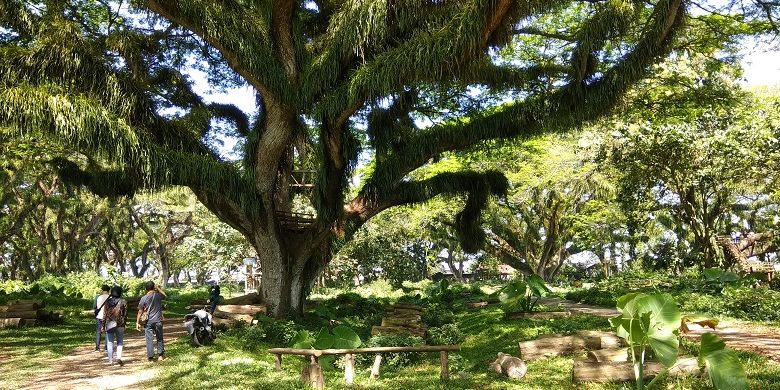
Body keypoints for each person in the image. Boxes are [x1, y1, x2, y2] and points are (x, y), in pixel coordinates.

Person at [136, 281, 166, 361]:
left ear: (146, 289)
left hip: (148, 322)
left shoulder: (143, 298)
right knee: (159, 338)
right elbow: (165, 295)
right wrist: (158, 288)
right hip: (158, 321)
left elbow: (140, 311)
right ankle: (160, 355)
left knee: (149, 339)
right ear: (154, 288)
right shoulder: (158, 296)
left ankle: (151, 357)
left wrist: (137, 322)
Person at [105, 285, 127, 366]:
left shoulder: (107, 302)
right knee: (120, 341)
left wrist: (103, 325)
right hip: (120, 323)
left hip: (109, 323)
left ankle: (110, 360)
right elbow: (125, 314)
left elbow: (105, 314)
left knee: (110, 342)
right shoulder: (123, 301)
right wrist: (125, 324)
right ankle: (119, 358)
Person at [94, 285, 110, 352]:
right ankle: (106, 347)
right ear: (109, 290)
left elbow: (95, 306)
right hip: (107, 316)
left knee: (98, 332)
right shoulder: (110, 297)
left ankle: (97, 348)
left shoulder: (98, 297)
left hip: (99, 316)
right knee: (107, 332)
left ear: (102, 290)